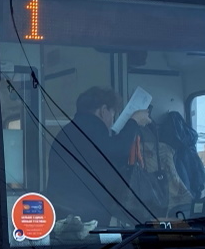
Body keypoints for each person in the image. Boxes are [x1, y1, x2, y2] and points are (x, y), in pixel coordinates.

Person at [48, 86, 150, 227]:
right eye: (112, 115)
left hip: (66, 211)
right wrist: (133, 122)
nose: (112, 121)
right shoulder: (90, 128)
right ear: (103, 110)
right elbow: (116, 151)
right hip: (84, 216)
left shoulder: (73, 129)